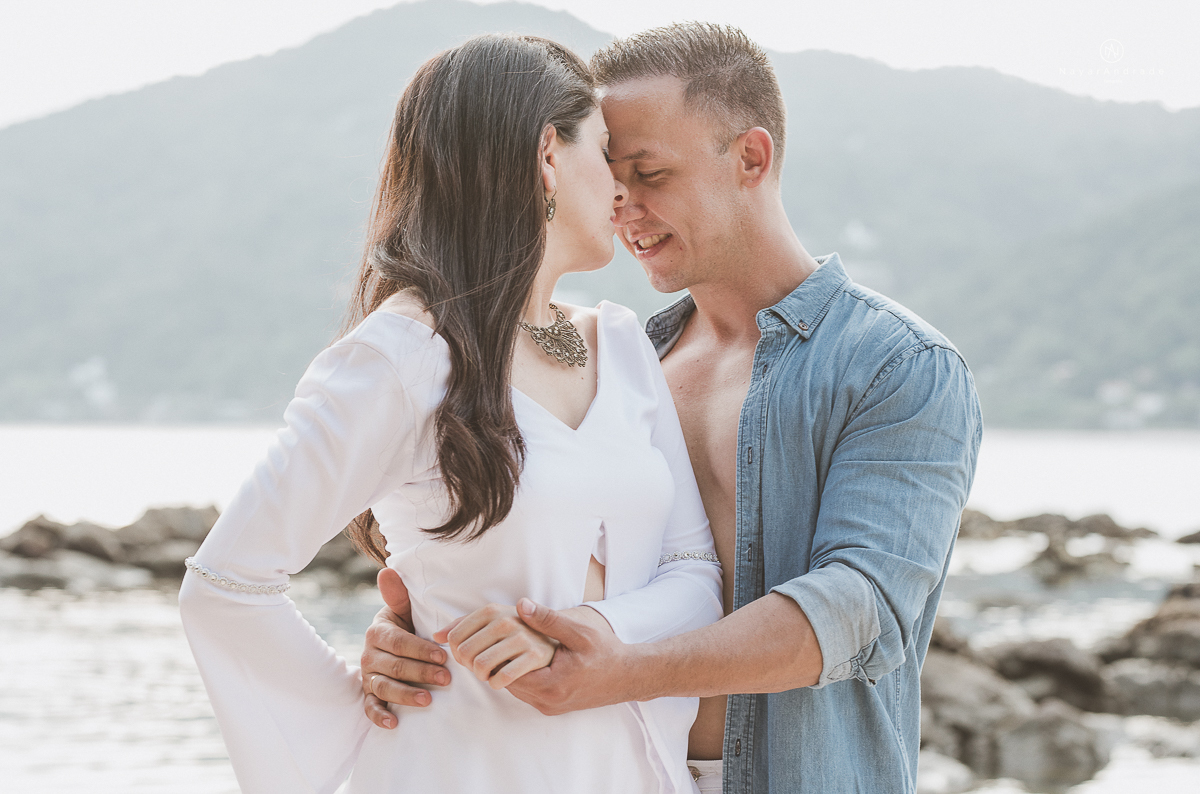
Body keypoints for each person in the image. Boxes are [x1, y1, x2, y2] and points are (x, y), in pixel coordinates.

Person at [359, 23, 983, 794]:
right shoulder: (612, 366)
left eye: (650, 173)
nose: (624, 207)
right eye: (607, 176)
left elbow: (861, 608)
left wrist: (624, 671)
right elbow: (531, 568)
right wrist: (418, 632)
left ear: (751, 158)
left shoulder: (897, 366)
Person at [178, 34, 724, 794]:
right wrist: (358, 714)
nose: (622, 191)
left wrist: (602, 632)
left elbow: (695, 570)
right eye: (604, 154)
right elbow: (226, 583)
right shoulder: (397, 359)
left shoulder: (624, 344)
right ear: (547, 157)